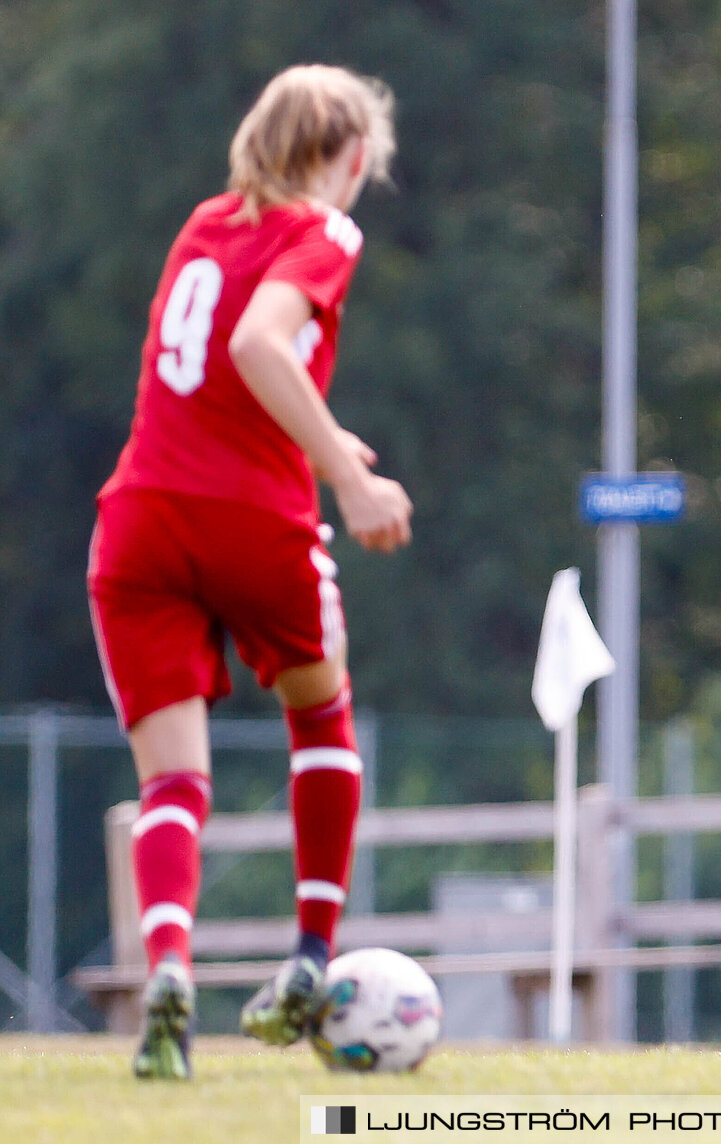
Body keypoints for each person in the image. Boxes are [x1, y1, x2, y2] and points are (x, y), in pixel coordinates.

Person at [87, 64, 412, 1080]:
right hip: (250, 518)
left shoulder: (204, 224)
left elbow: (214, 369)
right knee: (319, 717)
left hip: (139, 520)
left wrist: (328, 432)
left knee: (173, 781)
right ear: (354, 156)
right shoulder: (326, 229)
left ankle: (170, 972)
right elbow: (259, 343)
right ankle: (312, 957)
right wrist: (343, 480)